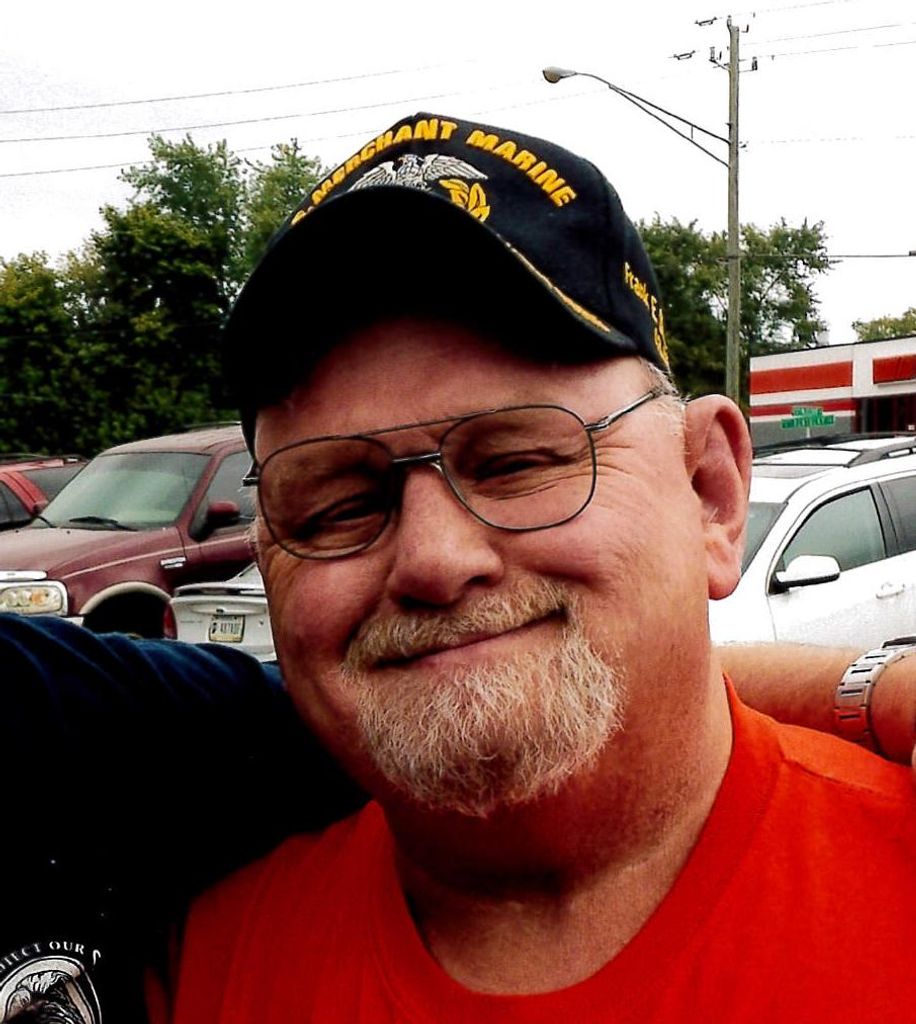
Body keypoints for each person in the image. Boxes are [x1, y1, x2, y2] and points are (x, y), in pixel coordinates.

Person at [153, 111, 915, 1021]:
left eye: (517, 462)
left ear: (710, 493)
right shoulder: (201, 963)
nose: (434, 561)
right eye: (337, 505)